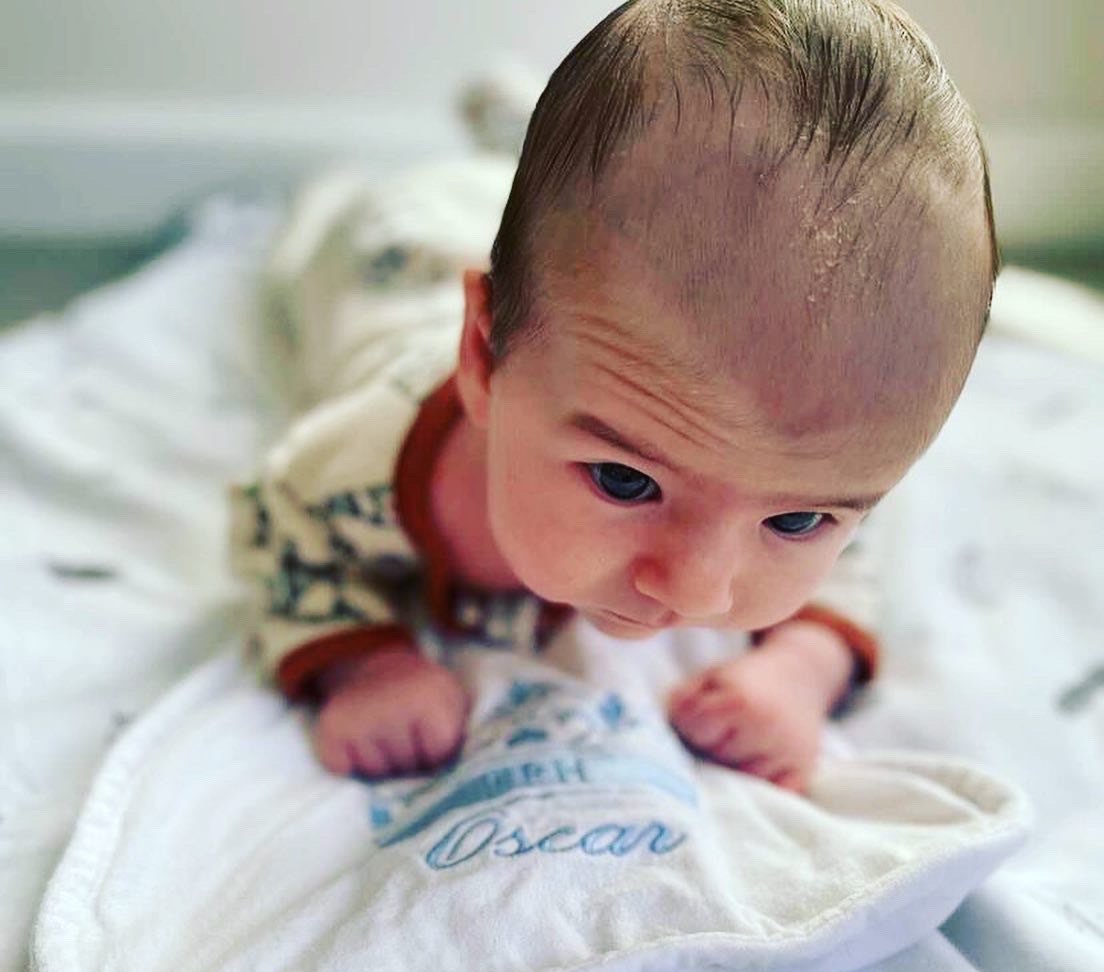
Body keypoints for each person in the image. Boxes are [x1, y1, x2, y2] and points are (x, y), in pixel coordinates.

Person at [231, 0, 998, 792]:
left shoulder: (804, 457)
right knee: (358, 229)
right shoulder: (369, 464)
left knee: (570, 215)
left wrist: (801, 670)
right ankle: (498, 140)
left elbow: (854, 562)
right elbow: (278, 525)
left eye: (795, 520)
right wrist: (363, 662)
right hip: (402, 254)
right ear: (484, 357)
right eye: (625, 479)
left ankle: (517, 131)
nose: (697, 587)